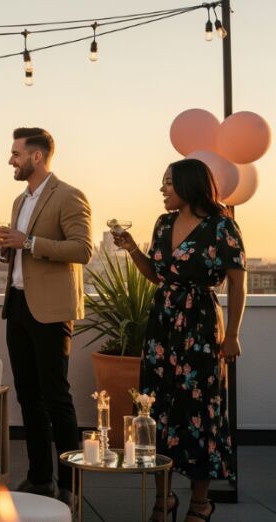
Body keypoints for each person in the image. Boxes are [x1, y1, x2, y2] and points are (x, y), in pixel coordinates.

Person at [112, 158, 245, 522]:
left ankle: (200, 502)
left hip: (200, 324)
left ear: (188, 184)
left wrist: (232, 334)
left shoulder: (222, 226)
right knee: (154, 410)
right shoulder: (163, 223)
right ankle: (164, 497)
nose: (162, 189)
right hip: (162, 324)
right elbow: (157, 276)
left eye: (168, 182)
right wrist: (131, 249)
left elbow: (237, 282)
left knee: (200, 410)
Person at [0, 127, 92, 504]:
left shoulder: (68, 196)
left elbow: (82, 249)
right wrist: (5, 250)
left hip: (50, 311)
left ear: (36, 157)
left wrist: (28, 242)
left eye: (15, 153)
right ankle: (39, 479)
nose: (10, 160)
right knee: (28, 397)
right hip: (17, 305)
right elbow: (23, 253)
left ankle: (70, 485)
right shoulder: (20, 201)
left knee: (56, 397)